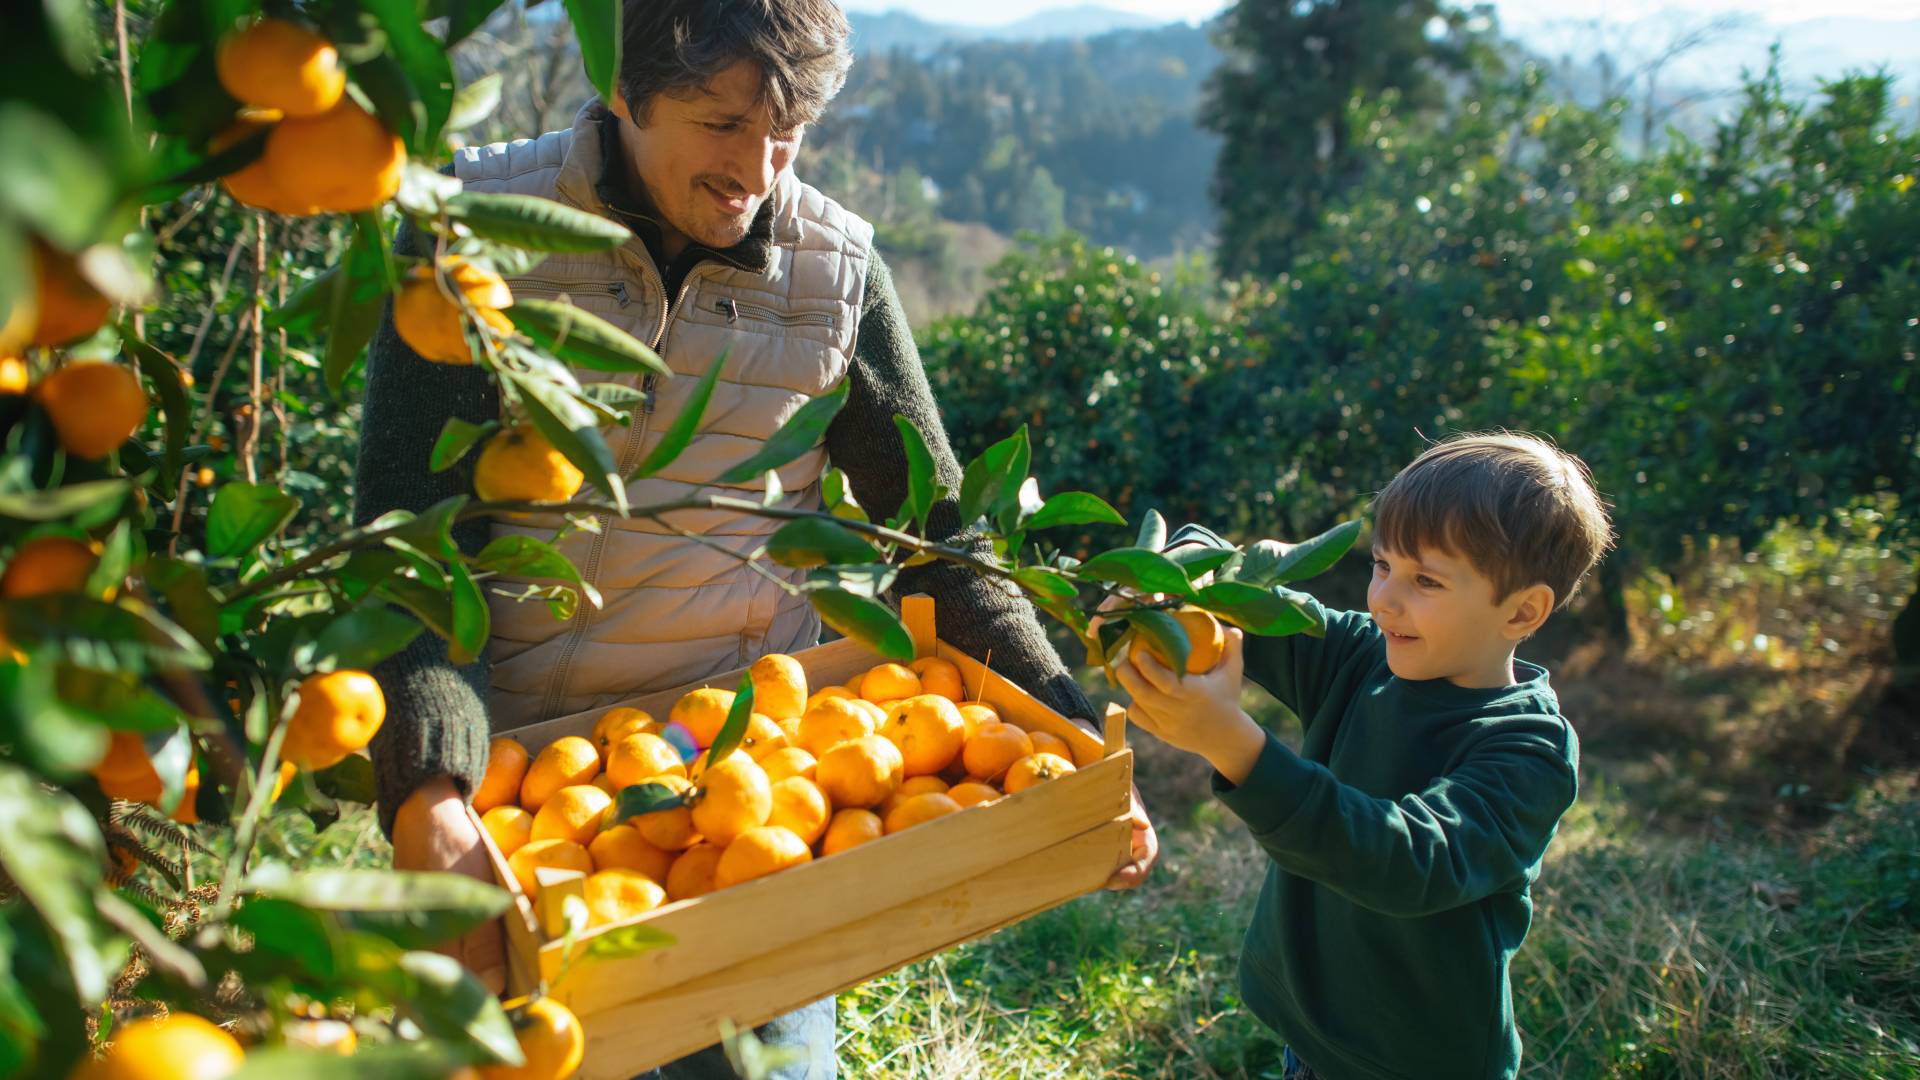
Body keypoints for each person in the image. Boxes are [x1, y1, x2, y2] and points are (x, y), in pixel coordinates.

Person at [352, 1, 1156, 1075]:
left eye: (788, 130)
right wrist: (430, 786)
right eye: (723, 122)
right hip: (531, 792)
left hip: (745, 781)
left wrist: (1072, 736)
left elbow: (941, 539)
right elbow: (409, 546)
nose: (758, 169)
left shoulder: (835, 275)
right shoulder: (475, 234)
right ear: (623, 92)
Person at [1114, 432, 1612, 1080]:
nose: (1384, 599)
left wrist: (1230, 742)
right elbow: (1244, 599)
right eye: (1382, 564)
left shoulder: (1528, 751)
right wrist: (1158, 585)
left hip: (1419, 1063)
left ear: (1523, 611)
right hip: (1313, 1037)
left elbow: (1408, 863)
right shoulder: (1362, 655)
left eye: (1425, 580)